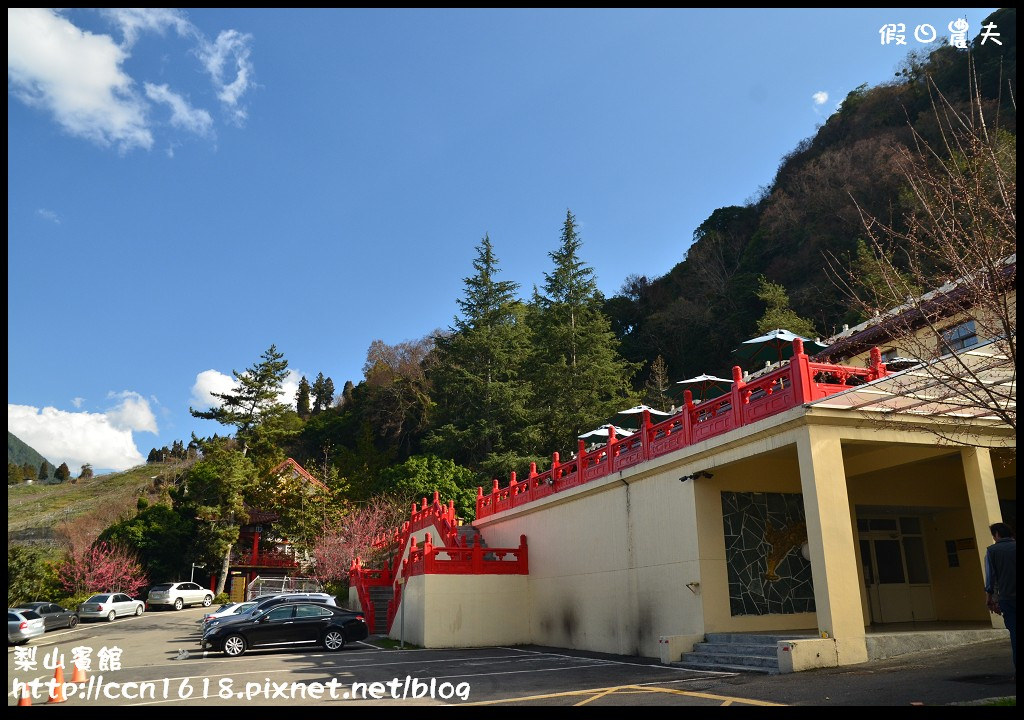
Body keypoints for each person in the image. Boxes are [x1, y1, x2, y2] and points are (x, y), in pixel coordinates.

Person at [984, 522, 1016, 674]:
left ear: (997, 534)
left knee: (1015, 634)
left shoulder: (992, 551)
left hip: (1008, 599)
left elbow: (991, 578)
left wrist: (990, 599)